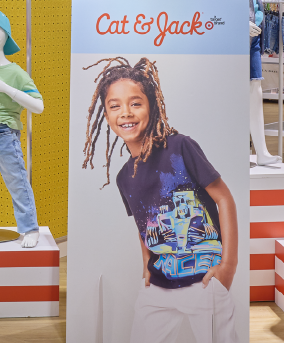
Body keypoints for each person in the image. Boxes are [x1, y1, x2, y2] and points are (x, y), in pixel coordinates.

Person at [82, 57, 239, 343]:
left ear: (151, 106)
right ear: (105, 115)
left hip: (204, 282)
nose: (125, 113)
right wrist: (146, 265)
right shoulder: (123, 177)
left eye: (135, 103)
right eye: (114, 105)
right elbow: (143, 224)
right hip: (158, 285)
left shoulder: (180, 147)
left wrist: (228, 265)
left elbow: (224, 199)